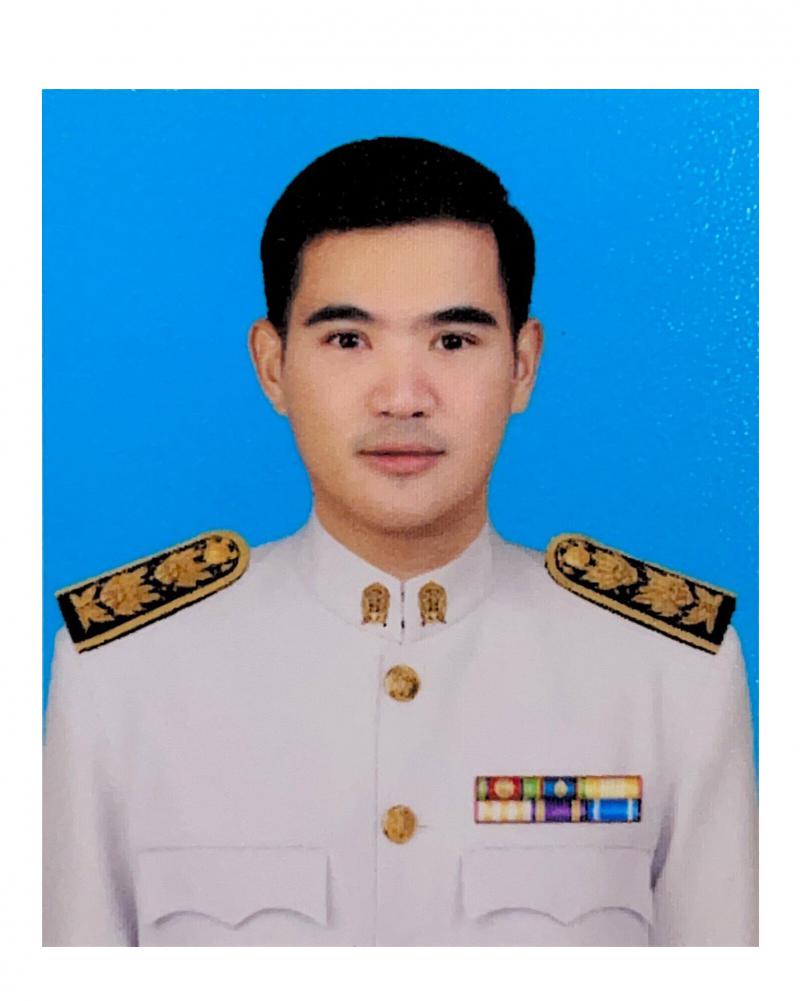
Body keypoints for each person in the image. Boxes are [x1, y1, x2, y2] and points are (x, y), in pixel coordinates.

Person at [43, 137, 757, 947]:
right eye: (348, 339)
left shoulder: (669, 675)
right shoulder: (123, 676)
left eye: (453, 341)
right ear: (273, 365)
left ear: (523, 365)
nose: (403, 398)